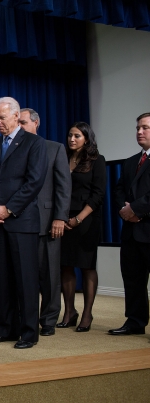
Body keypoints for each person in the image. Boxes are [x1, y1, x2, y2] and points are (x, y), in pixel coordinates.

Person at [0, 96, 47, 349]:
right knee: (2, 279)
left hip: (22, 222)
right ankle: (6, 328)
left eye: (2, 117)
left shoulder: (35, 143)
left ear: (16, 117)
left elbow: (34, 182)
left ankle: (29, 332)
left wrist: (8, 209)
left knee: (26, 279)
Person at [19, 108, 71, 337]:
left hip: (48, 222)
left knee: (49, 275)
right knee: (23, 275)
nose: (19, 126)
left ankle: (48, 320)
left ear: (36, 123)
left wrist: (60, 217)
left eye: (23, 122)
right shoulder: (13, 149)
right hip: (19, 222)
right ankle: (24, 318)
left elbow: (63, 186)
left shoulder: (55, 148)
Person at [58, 122, 106, 332]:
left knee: (87, 266)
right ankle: (70, 312)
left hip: (86, 220)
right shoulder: (63, 158)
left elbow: (98, 195)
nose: (72, 139)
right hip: (63, 219)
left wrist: (78, 219)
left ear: (86, 138)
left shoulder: (97, 160)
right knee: (65, 265)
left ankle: (87, 313)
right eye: (70, 135)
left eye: (77, 136)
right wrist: (61, 218)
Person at [110, 112, 150, 336]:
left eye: (145, 128)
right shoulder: (130, 162)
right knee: (133, 280)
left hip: (147, 227)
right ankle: (135, 322)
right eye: (137, 128)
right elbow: (118, 190)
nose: (139, 132)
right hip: (131, 232)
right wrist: (125, 211)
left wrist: (135, 210)